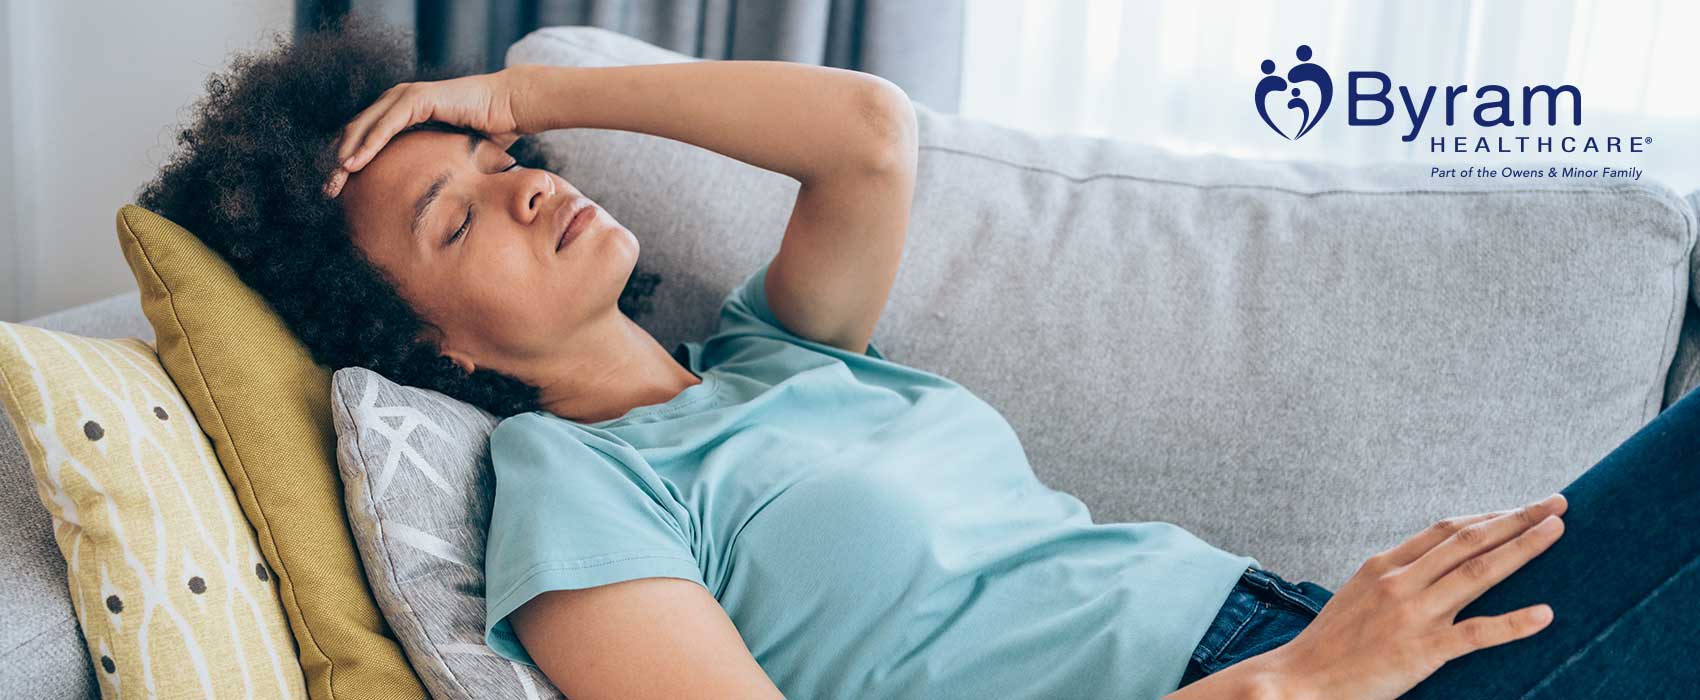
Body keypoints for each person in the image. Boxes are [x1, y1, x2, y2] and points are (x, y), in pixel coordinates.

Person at [137, 15, 1698, 700]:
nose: (529, 179)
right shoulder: (571, 493)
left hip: (1315, 629)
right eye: (458, 216)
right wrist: (1289, 688)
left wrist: (513, 88)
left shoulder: (764, 364)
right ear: (425, 340)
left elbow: (867, 138)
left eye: (506, 153)